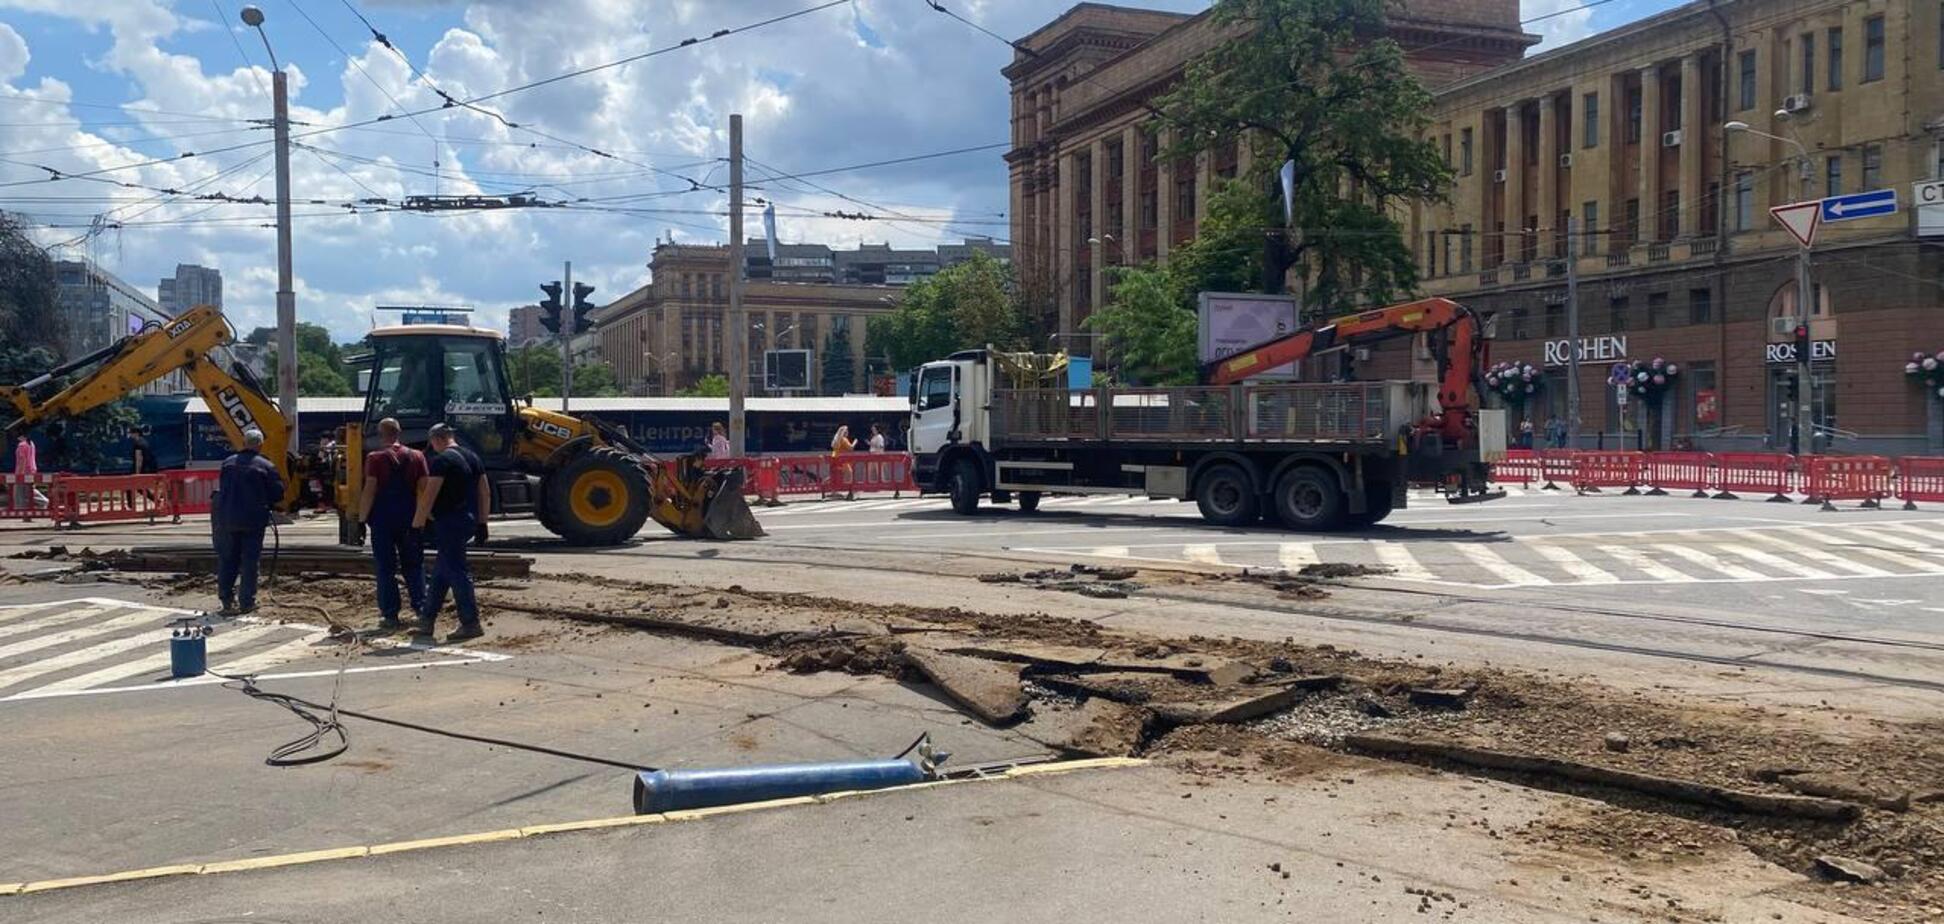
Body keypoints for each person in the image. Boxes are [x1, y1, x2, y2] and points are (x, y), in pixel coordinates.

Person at [412, 422, 490, 642]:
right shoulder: (473, 457)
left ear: (436, 439)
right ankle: (426, 620)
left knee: (456, 570)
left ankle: (470, 622)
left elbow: (429, 495)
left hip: (449, 522)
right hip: (467, 520)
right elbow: (484, 492)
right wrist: (483, 523)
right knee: (441, 571)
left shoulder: (442, 461)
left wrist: (416, 525)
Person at [358, 417, 428, 632]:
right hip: (409, 517)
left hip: (382, 519)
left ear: (381, 435)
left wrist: (361, 519)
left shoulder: (375, 458)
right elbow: (424, 488)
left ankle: (390, 615)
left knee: (385, 567)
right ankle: (422, 610)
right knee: (414, 565)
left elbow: (370, 490)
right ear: (399, 433)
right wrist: (424, 517)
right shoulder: (417, 456)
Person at [212, 428, 284, 616]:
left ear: (244, 443)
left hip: (228, 518)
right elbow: (277, 493)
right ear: (260, 445)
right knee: (250, 562)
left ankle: (227, 601)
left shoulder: (228, 463)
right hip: (253, 520)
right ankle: (247, 602)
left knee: (228, 559)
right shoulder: (266, 466)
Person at [10, 433, 36, 511]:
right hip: (31, 469)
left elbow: (22, 459)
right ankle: (26, 509)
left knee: (19, 493)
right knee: (29, 491)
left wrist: (19, 474)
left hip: (23, 471)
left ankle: (20, 509)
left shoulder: (21, 445)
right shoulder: (31, 443)